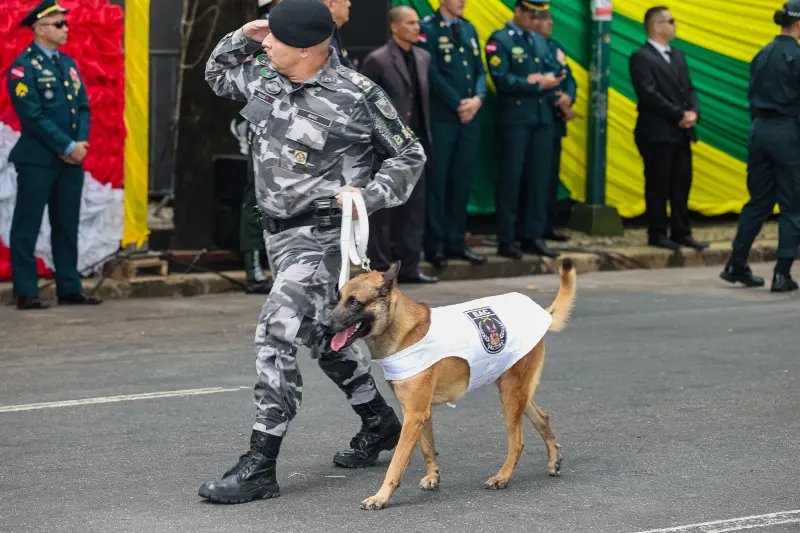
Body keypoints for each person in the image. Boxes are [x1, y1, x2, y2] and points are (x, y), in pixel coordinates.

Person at [200, 0, 426, 503]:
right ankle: (378, 420)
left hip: (324, 238)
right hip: (277, 234)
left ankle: (261, 461)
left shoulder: (356, 93)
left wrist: (367, 196)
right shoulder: (265, 74)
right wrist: (246, 32)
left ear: (305, 49)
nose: (267, 45)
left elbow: (410, 154)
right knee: (319, 333)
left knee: (276, 329)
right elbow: (216, 74)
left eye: (275, 39)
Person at [6, 0, 100, 310]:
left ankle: (69, 287)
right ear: (38, 28)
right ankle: (25, 290)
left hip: (71, 159)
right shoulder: (23, 67)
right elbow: (32, 116)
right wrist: (67, 146)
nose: (65, 29)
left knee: (66, 224)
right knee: (27, 225)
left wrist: (80, 143)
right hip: (38, 159)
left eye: (66, 24)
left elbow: (82, 108)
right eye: (59, 24)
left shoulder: (68, 64)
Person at [720, 1, 800, 293]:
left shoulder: (761, 54)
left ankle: (736, 262)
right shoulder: (797, 56)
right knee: (793, 206)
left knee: (759, 201)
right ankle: (782, 273)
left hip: (759, 131)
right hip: (787, 133)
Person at [360, 6, 438, 284]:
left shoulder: (424, 57)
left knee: (415, 210)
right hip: (385, 149)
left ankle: (410, 266)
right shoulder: (377, 60)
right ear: (394, 27)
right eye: (410, 23)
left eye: (418, 22)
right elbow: (364, 103)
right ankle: (380, 269)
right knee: (383, 212)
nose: (417, 28)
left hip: (415, 145)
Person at [484, 0, 565, 260]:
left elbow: (554, 69)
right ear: (518, 11)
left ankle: (533, 234)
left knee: (539, 180)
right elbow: (501, 78)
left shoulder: (540, 41)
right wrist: (532, 83)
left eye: (539, 16)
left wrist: (550, 80)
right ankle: (507, 238)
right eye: (531, 15)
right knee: (512, 179)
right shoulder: (500, 40)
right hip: (516, 119)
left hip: (542, 118)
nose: (536, 21)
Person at [629, 6, 709, 252]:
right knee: (658, 183)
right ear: (657, 26)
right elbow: (649, 94)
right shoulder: (641, 57)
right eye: (670, 21)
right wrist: (678, 114)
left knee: (681, 182)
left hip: (681, 131)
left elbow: (689, 89)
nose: (675, 25)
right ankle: (657, 231)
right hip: (657, 130)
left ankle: (681, 231)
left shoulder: (678, 56)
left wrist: (693, 112)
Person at [419, 0, 488, 269]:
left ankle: (457, 242)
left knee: (461, 182)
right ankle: (435, 246)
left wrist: (478, 100)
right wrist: (459, 103)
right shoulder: (429, 29)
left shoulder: (469, 29)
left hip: (470, 118)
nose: (462, 2)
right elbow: (431, 72)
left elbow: (480, 70)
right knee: (438, 183)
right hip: (443, 118)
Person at [234, 0, 283, 295]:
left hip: (295, 133)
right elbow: (258, 94)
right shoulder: (261, 36)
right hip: (266, 130)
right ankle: (254, 269)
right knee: (255, 201)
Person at [537, 7, 576, 244]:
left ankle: (548, 224)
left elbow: (568, 78)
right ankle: (531, 226)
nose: (550, 23)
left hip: (555, 122)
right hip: (538, 117)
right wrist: (558, 102)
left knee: (550, 177)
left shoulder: (555, 47)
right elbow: (535, 80)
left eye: (551, 18)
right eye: (545, 19)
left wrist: (568, 98)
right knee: (534, 177)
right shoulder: (532, 46)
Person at [322, 0, 355, 69]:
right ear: (331, 4)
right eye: (345, 0)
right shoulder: (324, 42)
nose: (349, 4)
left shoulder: (332, 35)